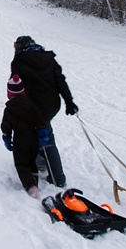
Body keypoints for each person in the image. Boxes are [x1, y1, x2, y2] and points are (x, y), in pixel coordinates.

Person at [9, 35, 78, 188]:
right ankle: (40, 162)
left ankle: (58, 178)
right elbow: (60, 80)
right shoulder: (48, 58)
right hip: (51, 105)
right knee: (41, 131)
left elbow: (15, 85)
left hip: (32, 107)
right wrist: (69, 101)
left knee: (45, 138)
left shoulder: (19, 61)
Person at [1, 75, 50, 199]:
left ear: (9, 93)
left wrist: (7, 138)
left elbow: (6, 126)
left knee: (22, 164)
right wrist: (42, 132)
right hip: (33, 138)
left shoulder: (9, 109)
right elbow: (39, 119)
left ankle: (30, 186)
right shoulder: (31, 105)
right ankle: (35, 180)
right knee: (33, 161)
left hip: (20, 140)